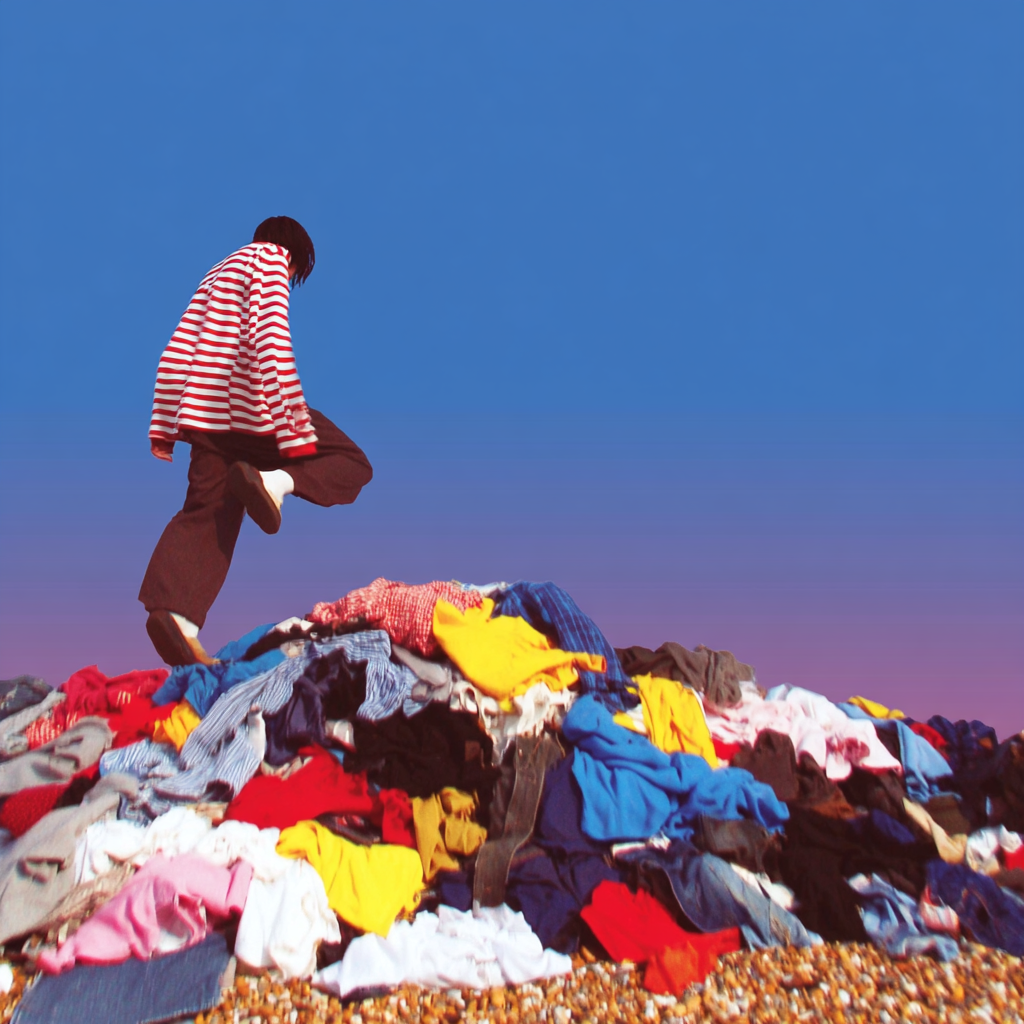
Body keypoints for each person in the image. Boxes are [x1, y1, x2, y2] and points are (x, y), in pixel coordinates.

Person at [139, 217, 373, 666]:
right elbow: (269, 336)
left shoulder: (216, 273)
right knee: (351, 461)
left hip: (205, 417)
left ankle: (177, 618)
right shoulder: (270, 260)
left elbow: (176, 351)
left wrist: (166, 426)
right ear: (295, 254)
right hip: (254, 410)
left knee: (208, 511)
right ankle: (274, 482)